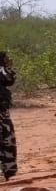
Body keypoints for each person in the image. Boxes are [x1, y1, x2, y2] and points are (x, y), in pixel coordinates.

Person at [0, 51, 18, 180]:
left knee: (7, 144)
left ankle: (9, 175)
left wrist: (5, 66)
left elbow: (9, 80)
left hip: (3, 114)